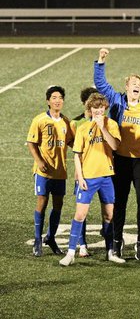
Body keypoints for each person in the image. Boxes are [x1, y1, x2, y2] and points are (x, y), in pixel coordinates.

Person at [93, 47, 140, 261]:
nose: (137, 86)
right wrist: (100, 61)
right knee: (120, 201)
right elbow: (101, 85)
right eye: (133, 84)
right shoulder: (117, 100)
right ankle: (117, 243)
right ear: (126, 87)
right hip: (121, 160)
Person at [59, 93, 124, 266]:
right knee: (80, 215)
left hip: (106, 177)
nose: (98, 111)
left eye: (101, 108)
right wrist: (79, 177)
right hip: (88, 177)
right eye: (95, 108)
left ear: (105, 108)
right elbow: (77, 155)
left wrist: (102, 128)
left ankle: (110, 252)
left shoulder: (111, 125)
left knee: (109, 215)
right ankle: (71, 252)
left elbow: (115, 146)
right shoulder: (82, 129)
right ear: (90, 109)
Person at [26, 85, 74, 256]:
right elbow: (31, 143)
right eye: (54, 97)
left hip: (60, 171)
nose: (57, 100)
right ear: (48, 101)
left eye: (60, 97)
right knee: (42, 202)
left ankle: (51, 237)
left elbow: (71, 142)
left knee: (58, 204)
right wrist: (39, 161)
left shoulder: (66, 122)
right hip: (44, 171)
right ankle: (38, 240)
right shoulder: (39, 120)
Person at [69, 86, 97, 257]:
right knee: (82, 212)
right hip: (83, 174)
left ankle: (111, 241)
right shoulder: (76, 123)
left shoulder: (104, 120)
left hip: (102, 172)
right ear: (85, 104)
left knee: (107, 208)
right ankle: (82, 244)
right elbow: (74, 148)